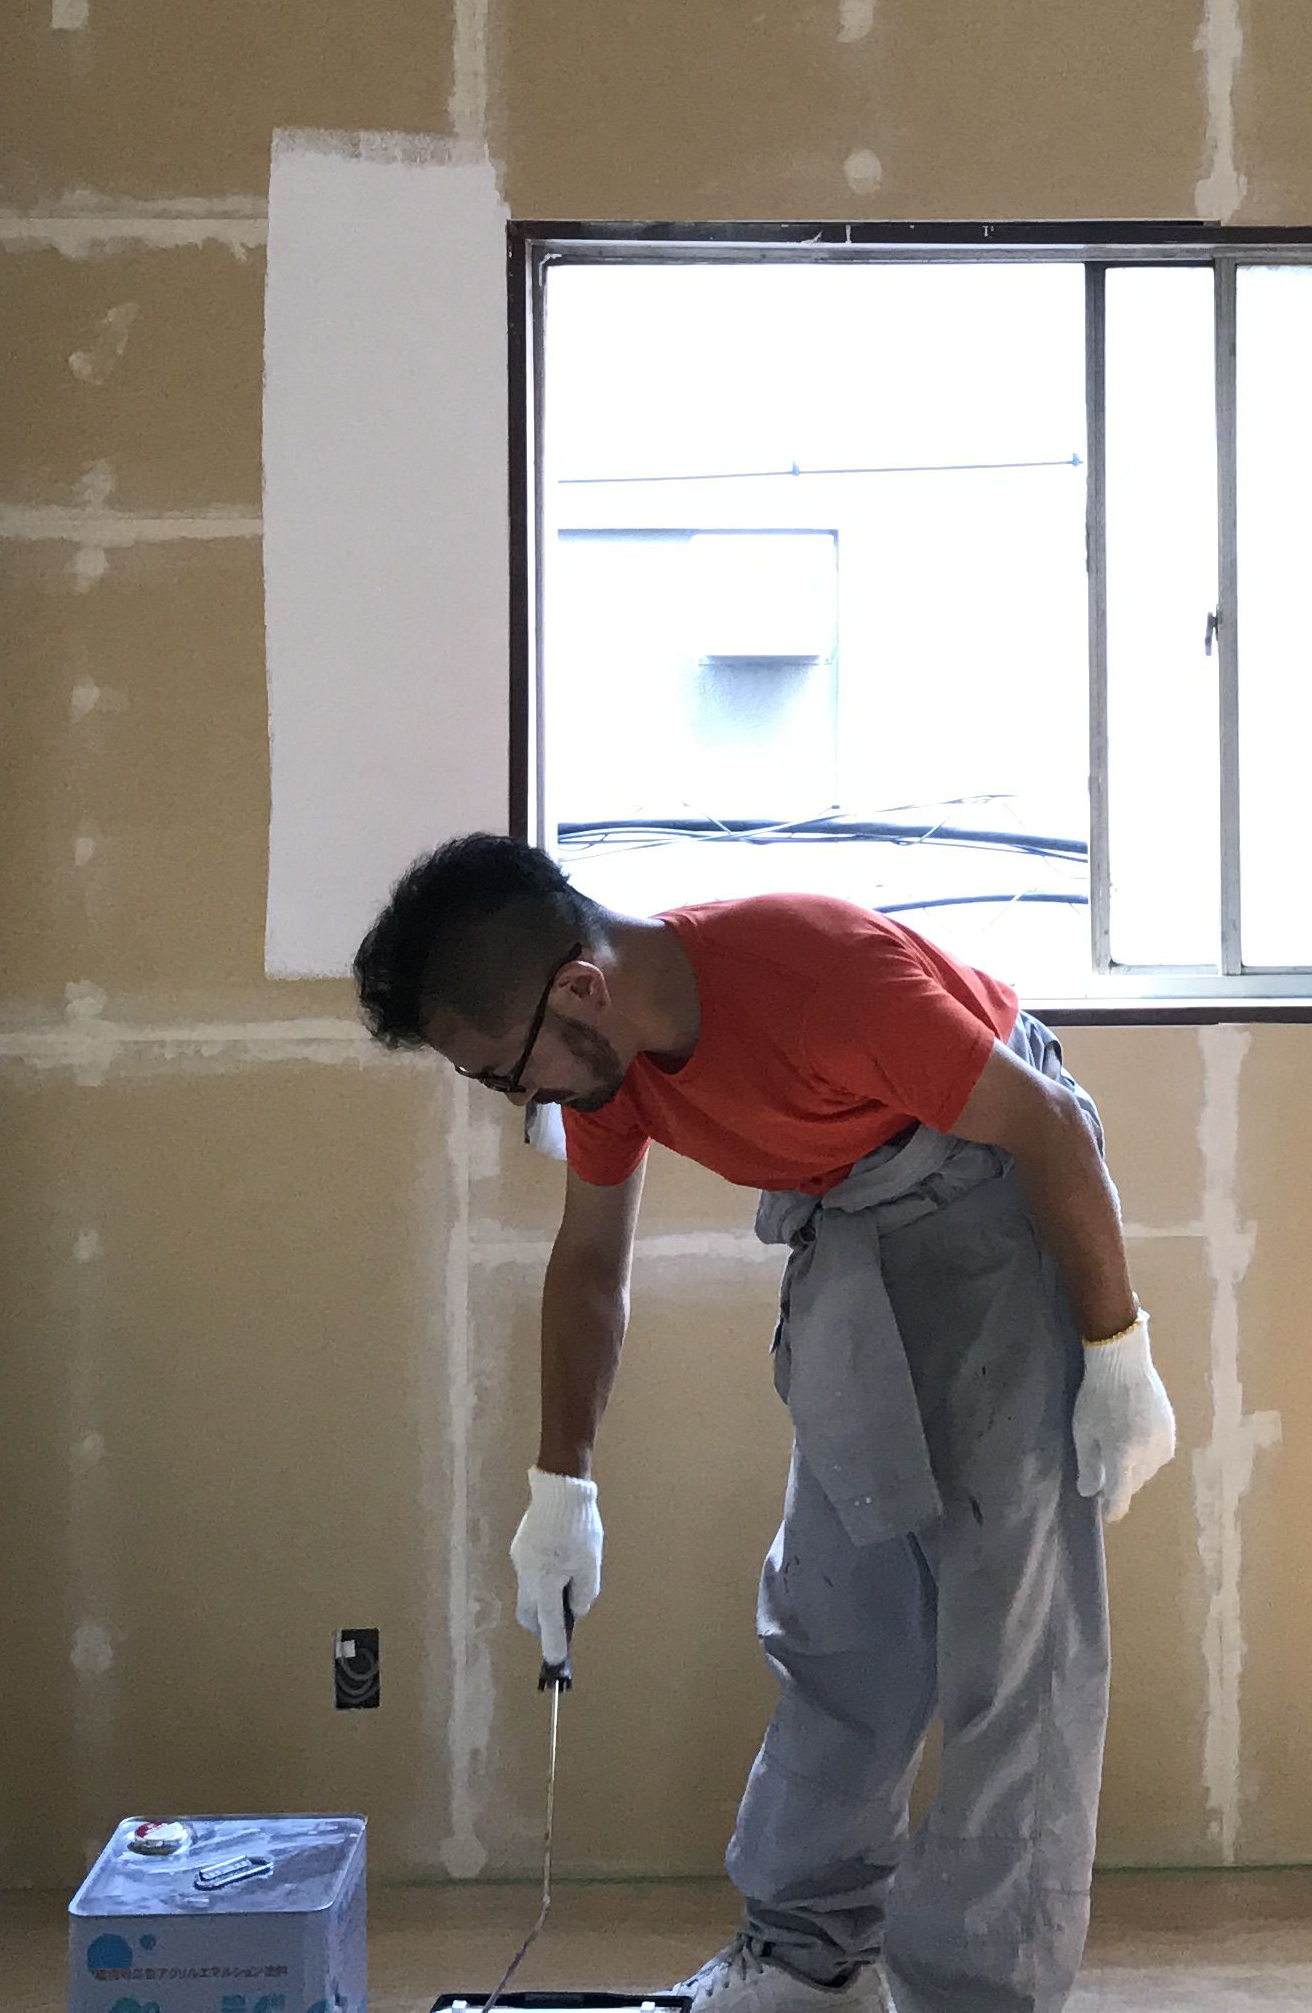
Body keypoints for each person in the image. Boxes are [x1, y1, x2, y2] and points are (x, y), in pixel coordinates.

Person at [356, 835, 1179, 2013]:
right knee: (837, 1620)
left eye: (504, 1075)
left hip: (996, 1196)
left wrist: (1116, 1352)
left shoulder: (819, 975)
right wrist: (560, 1487)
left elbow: (1049, 1127)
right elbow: (591, 1264)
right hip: (851, 1220)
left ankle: (980, 1995)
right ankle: (806, 1961)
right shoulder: (610, 1064)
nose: (520, 1103)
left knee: (1011, 1646)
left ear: (579, 989)